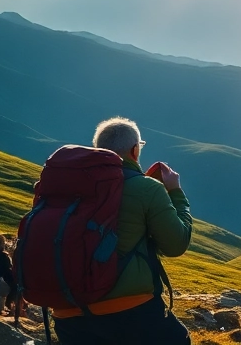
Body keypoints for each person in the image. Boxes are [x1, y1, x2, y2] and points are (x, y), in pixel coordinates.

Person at [51, 117, 194, 345]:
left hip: (67, 312)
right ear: (135, 150)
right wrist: (176, 193)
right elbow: (176, 244)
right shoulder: (147, 188)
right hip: (129, 310)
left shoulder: (66, 186)